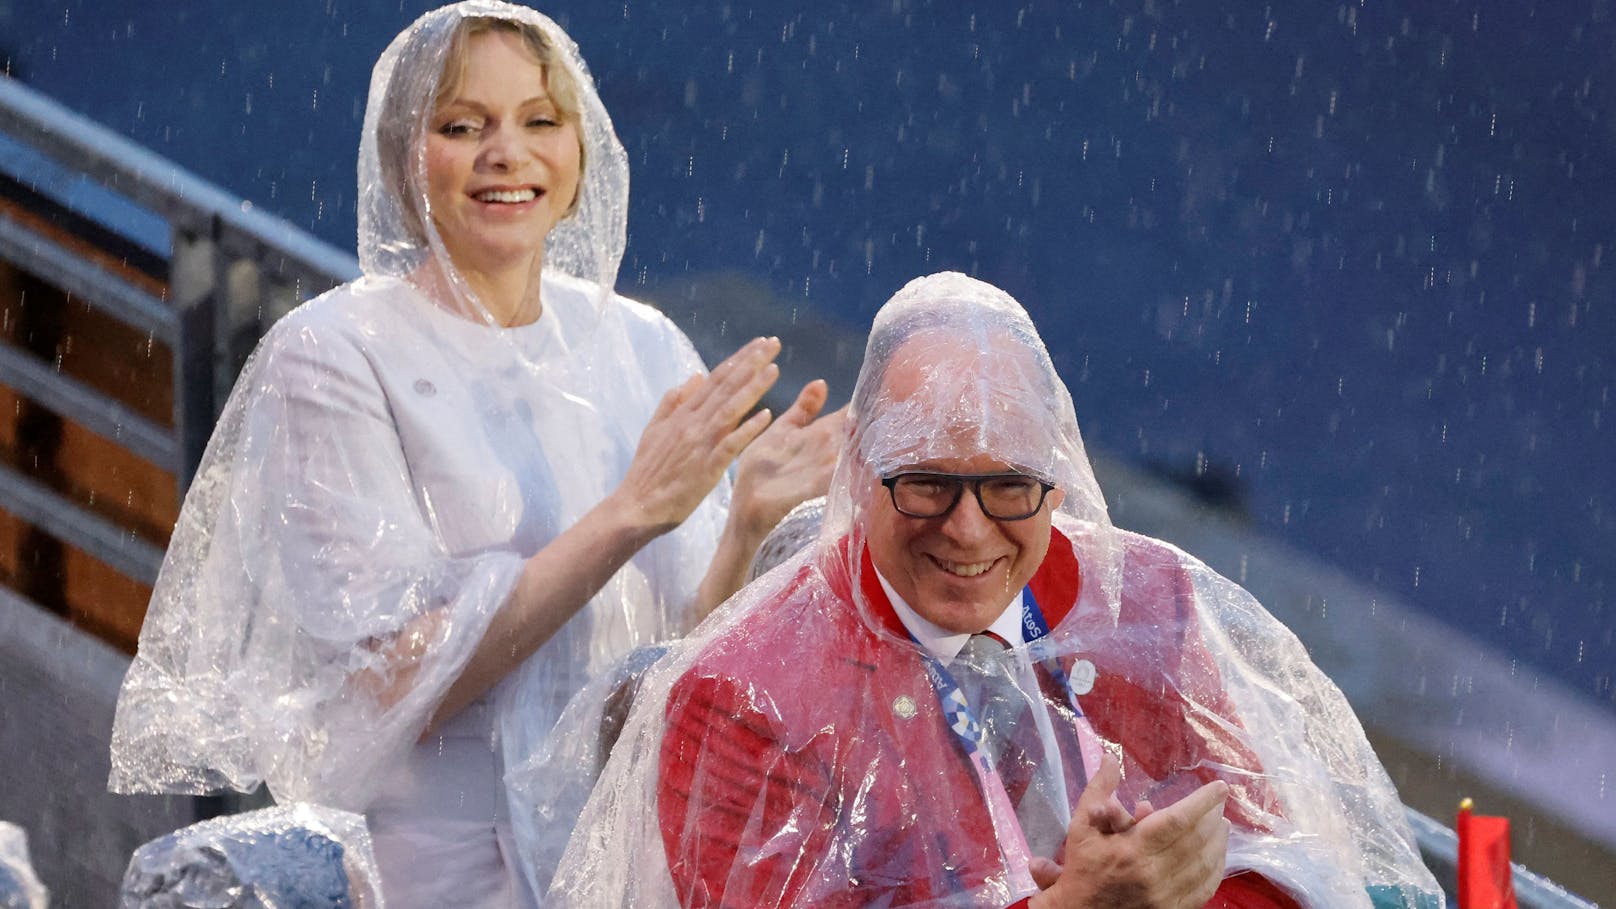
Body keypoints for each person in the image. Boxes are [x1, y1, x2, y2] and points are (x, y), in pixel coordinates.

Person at [108, 3, 841, 907]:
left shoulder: (638, 345)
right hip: (440, 869)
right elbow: (385, 682)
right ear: (402, 161)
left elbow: (669, 665)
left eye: (541, 121)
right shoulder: (337, 352)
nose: (508, 152)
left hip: (628, 858)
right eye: (463, 126)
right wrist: (626, 514)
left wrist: (744, 533)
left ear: (581, 154)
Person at [547, 272, 1442, 909]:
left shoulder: (1151, 608)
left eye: (1009, 486)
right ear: (859, 472)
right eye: (926, 482)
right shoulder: (739, 698)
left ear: (1060, 478)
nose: (968, 530)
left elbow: (1292, 872)